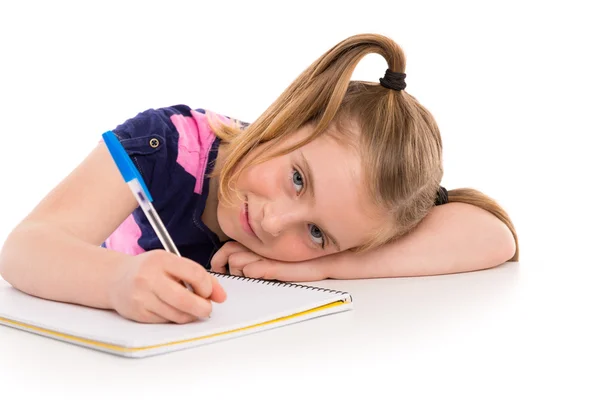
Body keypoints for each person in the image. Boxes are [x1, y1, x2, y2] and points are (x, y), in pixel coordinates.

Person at [0, 33, 518, 325]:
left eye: (317, 234)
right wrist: (115, 281)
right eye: (297, 179)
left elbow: (493, 236)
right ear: (291, 115)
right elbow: (26, 248)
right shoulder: (164, 145)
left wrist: (330, 267)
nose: (274, 223)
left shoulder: (357, 213)